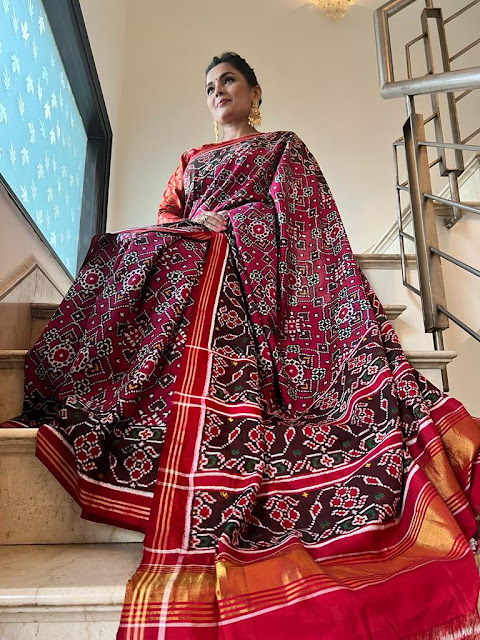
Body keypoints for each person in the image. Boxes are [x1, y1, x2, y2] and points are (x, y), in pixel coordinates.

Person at [6, 52, 480, 639]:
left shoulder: (281, 146)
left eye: (228, 80)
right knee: (123, 249)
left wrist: (233, 227)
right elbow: (167, 218)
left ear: (255, 93)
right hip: (195, 251)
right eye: (209, 86)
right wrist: (195, 231)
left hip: (249, 264)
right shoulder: (191, 161)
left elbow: (305, 221)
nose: (218, 91)